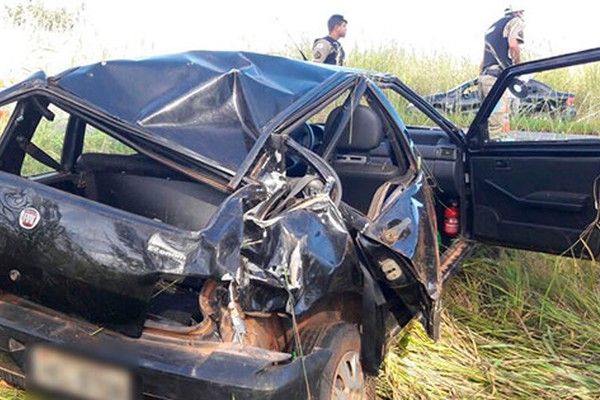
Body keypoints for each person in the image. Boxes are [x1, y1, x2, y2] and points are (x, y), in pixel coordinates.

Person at [479, 3, 525, 136]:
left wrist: (480, 78)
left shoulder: (492, 28)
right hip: (495, 80)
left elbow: (483, 59)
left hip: (484, 79)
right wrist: (517, 67)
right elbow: (513, 44)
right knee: (498, 127)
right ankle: (497, 156)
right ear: (517, 12)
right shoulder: (515, 21)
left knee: (484, 124)